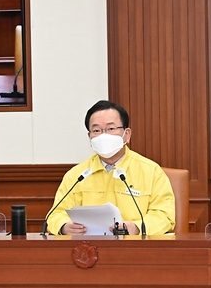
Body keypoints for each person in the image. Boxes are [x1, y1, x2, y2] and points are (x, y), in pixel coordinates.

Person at [46, 101, 175, 236]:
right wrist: (64, 227)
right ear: (89, 137)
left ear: (127, 134)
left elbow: (164, 215)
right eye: (96, 130)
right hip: (88, 250)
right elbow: (56, 214)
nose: (104, 136)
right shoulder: (77, 175)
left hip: (135, 250)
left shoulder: (151, 172)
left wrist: (137, 227)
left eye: (111, 129)